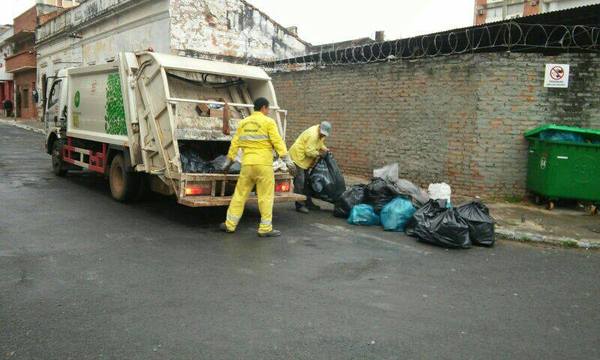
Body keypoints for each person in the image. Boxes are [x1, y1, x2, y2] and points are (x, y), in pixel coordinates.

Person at [220, 97, 296, 237]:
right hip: (264, 166)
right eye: (267, 109)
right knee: (265, 197)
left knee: (239, 194)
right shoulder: (268, 122)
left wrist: (228, 161)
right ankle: (265, 228)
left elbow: (235, 143)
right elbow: (278, 142)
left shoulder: (243, 123)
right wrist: (288, 161)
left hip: (247, 165)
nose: (268, 112)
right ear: (264, 107)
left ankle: (230, 225)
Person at [289, 121, 332, 214]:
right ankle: (299, 205)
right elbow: (309, 152)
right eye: (322, 133)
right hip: (298, 158)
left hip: (304, 160)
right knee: (300, 182)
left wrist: (325, 149)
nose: (322, 135)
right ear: (319, 127)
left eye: (324, 134)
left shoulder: (320, 134)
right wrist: (320, 154)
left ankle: (308, 202)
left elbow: (319, 144)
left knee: (306, 182)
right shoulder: (313, 135)